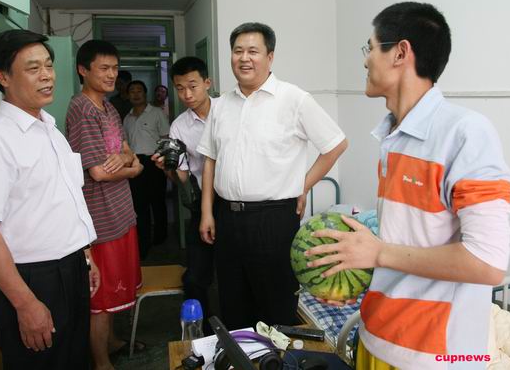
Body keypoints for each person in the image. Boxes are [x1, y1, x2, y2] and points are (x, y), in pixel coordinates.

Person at [306, 2, 510, 369]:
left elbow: (487, 263)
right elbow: (407, 243)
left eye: (370, 47)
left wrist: (377, 254)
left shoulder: (465, 133)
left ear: (400, 53)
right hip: (375, 335)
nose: (366, 60)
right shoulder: (393, 137)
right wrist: (359, 270)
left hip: (432, 356)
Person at [0, 29, 100, 370]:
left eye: (48, 65)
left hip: (71, 267)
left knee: (75, 359)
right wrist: (26, 303)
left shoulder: (50, 130)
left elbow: (63, 201)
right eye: (33, 68)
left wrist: (85, 255)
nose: (47, 75)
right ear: (2, 77)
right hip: (32, 279)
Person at [197, 22, 348, 330]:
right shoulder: (221, 105)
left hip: (274, 220)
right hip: (227, 218)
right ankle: (241, 353)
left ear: (270, 56)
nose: (244, 58)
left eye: (253, 51)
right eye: (238, 51)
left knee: (276, 307)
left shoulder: (294, 99)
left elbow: (336, 145)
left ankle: (277, 355)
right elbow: (210, 159)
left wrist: (302, 186)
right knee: (233, 302)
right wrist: (207, 212)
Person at [66, 40, 144, 370]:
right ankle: (101, 363)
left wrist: (126, 161)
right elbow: (98, 172)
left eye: (115, 68)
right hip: (100, 221)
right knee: (100, 300)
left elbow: (129, 153)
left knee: (114, 293)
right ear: (83, 70)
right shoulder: (82, 110)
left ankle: (111, 342)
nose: (112, 74)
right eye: (104, 68)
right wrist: (132, 168)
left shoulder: (109, 108)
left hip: (121, 213)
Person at [151, 57, 217, 331]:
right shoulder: (179, 126)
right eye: (180, 88)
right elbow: (182, 176)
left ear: (207, 82)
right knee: (196, 276)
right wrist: (167, 167)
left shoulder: (227, 112)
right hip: (201, 204)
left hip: (235, 201)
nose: (187, 94)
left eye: (192, 86)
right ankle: (204, 332)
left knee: (234, 272)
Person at [123, 80, 170, 257]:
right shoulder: (127, 118)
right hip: (135, 163)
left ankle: (161, 237)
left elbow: (166, 138)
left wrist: (164, 162)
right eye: (132, 91)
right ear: (128, 95)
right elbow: (126, 144)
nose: (136, 94)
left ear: (145, 93)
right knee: (139, 205)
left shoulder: (157, 113)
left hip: (154, 161)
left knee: (157, 201)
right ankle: (143, 243)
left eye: (139, 91)